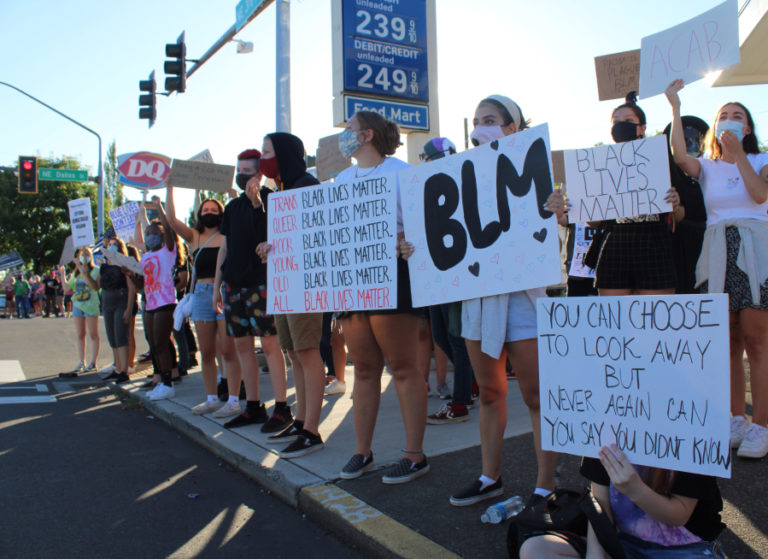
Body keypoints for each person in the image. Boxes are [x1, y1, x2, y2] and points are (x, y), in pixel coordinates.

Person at [445, 95, 556, 507]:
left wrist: (558, 210)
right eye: (475, 120)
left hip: (524, 301)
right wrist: (414, 247)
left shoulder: (534, 173)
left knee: (537, 395)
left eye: (489, 120)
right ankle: (489, 476)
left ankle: (545, 485)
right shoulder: (456, 179)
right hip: (479, 300)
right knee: (489, 393)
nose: (479, 128)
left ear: (513, 128)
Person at [666, 79, 768, 459]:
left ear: (748, 128)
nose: (728, 120)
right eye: (723, 115)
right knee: (728, 342)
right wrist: (675, 108)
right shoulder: (705, 167)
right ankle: (736, 418)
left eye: (736, 116)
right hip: (718, 250)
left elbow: (760, 194)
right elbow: (679, 156)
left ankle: (762, 426)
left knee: (757, 340)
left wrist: (739, 154)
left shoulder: (760, 161)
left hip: (755, 250)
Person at [329, 111, 429, 483]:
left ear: (367, 135)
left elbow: (422, 226)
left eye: (349, 130)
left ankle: (415, 454)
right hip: (355, 280)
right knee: (365, 369)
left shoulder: (402, 173)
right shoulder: (341, 179)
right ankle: (362, 451)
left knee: (403, 367)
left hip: (393, 276)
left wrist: (410, 246)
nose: (344, 136)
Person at [255, 132, 327, 459]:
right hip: (285, 282)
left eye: (267, 151)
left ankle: (312, 430)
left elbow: (315, 237)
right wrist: (270, 248)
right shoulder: (282, 191)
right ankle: (300, 421)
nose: (263, 158)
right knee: (294, 353)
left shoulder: (307, 186)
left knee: (308, 352)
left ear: (283, 153)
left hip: (304, 284)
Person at [519, 446, 726, 558]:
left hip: (685, 549)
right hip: (623, 544)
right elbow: (599, 504)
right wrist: (595, 553)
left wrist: (636, 490)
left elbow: (679, 514)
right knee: (535, 549)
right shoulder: (608, 425)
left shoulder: (691, 428)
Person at [213, 149, 293, 434]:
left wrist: (257, 202)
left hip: (262, 284)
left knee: (270, 345)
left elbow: (277, 236)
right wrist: (217, 287)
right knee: (243, 346)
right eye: (239, 170)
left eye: (247, 170)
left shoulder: (272, 200)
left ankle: (282, 407)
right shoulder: (232, 207)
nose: (242, 175)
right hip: (234, 286)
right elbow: (225, 247)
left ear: (260, 174)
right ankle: (254, 406)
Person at [165, 184, 243, 418]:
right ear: (199, 215)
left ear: (221, 213)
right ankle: (211, 399)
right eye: (205, 209)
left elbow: (241, 218)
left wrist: (234, 197)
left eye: (214, 208)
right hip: (201, 294)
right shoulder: (194, 237)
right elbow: (171, 219)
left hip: (226, 293)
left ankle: (233, 400)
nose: (209, 212)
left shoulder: (228, 233)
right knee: (207, 351)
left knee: (229, 350)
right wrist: (170, 187)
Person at [417, 137, 476, 424]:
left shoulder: (462, 182)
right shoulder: (422, 188)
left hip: (454, 271)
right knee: (441, 337)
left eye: (427, 156)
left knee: (456, 337)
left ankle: (461, 401)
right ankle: (471, 382)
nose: (424, 161)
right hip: (432, 274)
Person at [132, 202, 179, 400]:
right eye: (147, 233)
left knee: (161, 342)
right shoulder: (147, 255)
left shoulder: (168, 250)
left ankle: (168, 383)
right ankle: (160, 381)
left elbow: (169, 227)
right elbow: (141, 282)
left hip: (165, 302)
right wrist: (130, 271)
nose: (149, 236)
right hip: (150, 303)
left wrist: (159, 207)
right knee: (154, 343)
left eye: (153, 232)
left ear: (160, 235)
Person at [84, 237, 134, 384]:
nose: (111, 247)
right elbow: (96, 286)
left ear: (120, 248)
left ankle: (124, 371)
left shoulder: (124, 265)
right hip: (107, 301)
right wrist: (86, 273)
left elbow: (131, 288)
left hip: (121, 299)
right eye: (110, 245)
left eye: (115, 245)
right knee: (112, 337)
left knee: (121, 336)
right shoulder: (104, 267)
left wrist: (129, 309)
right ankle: (117, 368)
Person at [58, 247, 101, 376]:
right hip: (78, 305)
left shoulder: (96, 270)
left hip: (91, 304)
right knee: (80, 334)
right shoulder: (76, 273)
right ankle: (81, 361)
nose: (84, 257)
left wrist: (82, 269)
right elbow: (67, 288)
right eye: (82, 254)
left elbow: (93, 286)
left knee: (93, 334)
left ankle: (93, 362)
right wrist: (62, 274)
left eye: (87, 254)